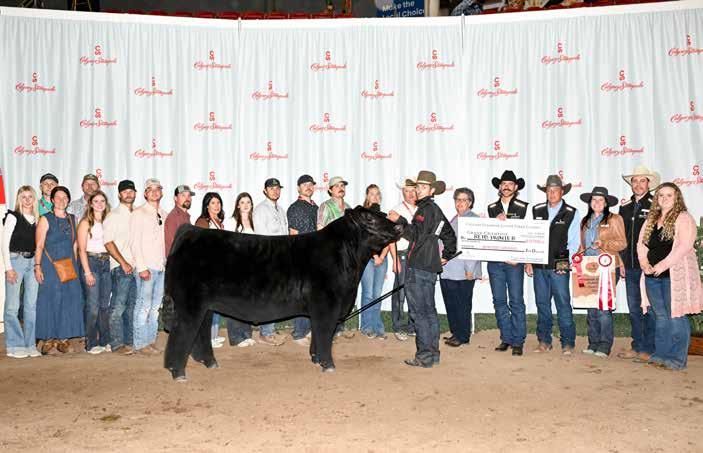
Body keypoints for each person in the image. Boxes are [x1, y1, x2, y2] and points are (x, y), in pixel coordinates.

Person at [388, 171, 457, 368]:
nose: (418, 190)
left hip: (418, 265)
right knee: (429, 311)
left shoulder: (424, 209)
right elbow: (449, 235)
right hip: (430, 267)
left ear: (432, 190)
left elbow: (414, 235)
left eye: (423, 187)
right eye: (417, 187)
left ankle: (425, 356)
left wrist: (399, 220)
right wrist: (446, 255)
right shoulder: (435, 210)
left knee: (419, 313)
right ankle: (433, 354)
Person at [637, 182, 703, 371]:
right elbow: (642, 244)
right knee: (660, 316)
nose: (664, 199)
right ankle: (661, 355)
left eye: (669, 195)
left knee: (676, 316)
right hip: (652, 276)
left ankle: (677, 359)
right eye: (661, 195)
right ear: (656, 198)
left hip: (673, 276)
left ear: (677, 198)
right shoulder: (652, 219)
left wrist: (661, 265)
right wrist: (644, 263)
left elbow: (684, 246)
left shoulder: (684, 218)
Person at [526, 175, 580, 355]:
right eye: (549, 190)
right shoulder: (537, 210)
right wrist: (529, 260)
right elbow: (530, 237)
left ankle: (568, 342)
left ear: (562, 192)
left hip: (559, 265)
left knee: (563, 303)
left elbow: (574, 242)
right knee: (542, 303)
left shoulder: (571, 212)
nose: (552, 193)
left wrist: (564, 264)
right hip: (539, 265)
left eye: (555, 190)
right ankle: (544, 341)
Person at [34, 186, 85, 355]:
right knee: (49, 300)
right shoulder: (45, 219)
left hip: (68, 267)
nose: (61, 200)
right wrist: (37, 266)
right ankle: (49, 339)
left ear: (68, 200)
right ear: (52, 200)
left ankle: (63, 338)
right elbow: (39, 245)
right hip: (49, 266)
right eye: (58, 197)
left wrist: (75, 266)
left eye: (65, 197)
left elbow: (75, 245)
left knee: (68, 301)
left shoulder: (72, 219)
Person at [577, 187, 626, 358]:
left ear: (606, 203)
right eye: (594, 200)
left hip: (608, 267)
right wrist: (577, 258)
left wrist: (603, 244)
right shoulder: (585, 221)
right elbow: (583, 245)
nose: (597, 203)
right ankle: (593, 343)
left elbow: (622, 243)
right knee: (591, 307)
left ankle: (605, 345)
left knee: (603, 307)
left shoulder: (615, 219)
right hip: (589, 267)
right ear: (590, 202)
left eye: (600, 200)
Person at [617, 165, 659, 361]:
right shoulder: (624, 207)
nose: (638, 184)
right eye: (635, 181)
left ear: (648, 184)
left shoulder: (656, 205)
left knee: (649, 308)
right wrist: (622, 261)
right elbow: (621, 237)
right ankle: (637, 345)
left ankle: (649, 348)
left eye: (643, 180)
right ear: (631, 184)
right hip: (630, 265)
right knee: (634, 308)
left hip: (648, 266)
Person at [486, 170, 529, 356]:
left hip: (514, 262)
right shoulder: (491, 208)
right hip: (495, 260)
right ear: (499, 186)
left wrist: (525, 259)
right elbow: (486, 234)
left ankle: (518, 340)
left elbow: (529, 235)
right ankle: (506, 337)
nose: (506, 186)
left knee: (516, 301)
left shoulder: (524, 207)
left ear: (516, 187)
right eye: (504, 183)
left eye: (510, 184)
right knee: (499, 301)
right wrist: (494, 223)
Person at [130, 178, 167, 355]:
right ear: (145, 193)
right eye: (150, 189)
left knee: (155, 308)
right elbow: (134, 242)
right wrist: (141, 267)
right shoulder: (138, 213)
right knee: (143, 306)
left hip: (161, 267)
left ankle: (150, 341)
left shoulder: (164, 214)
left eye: (157, 188)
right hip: (147, 266)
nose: (154, 192)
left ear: (161, 192)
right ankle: (140, 344)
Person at [440, 188, 482, 348]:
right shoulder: (455, 218)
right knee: (451, 303)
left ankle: (463, 336)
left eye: (464, 200)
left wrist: (470, 268)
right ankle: (456, 332)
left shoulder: (473, 220)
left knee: (462, 304)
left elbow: (473, 246)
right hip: (449, 270)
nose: (460, 203)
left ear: (470, 202)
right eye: (457, 199)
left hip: (463, 271)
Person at [3, 186, 40, 358]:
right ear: (19, 199)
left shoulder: (38, 220)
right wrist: (8, 268)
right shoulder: (13, 217)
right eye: (23, 197)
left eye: (30, 196)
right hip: (16, 260)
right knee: (12, 306)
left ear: (34, 199)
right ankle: (14, 345)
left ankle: (30, 344)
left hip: (33, 262)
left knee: (31, 305)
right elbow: (4, 244)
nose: (27, 200)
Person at [317, 176, 355, 339]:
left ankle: (339, 326)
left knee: (343, 291)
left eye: (342, 185)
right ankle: (327, 327)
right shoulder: (325, 206)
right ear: (330, 190)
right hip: (331, 256)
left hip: (346, 257)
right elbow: (320, 230)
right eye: (337, 186)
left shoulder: (348, 208)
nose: (340, 188)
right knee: (329, 293)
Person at [103, 180, 137, 355]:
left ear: (135, 193)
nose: (128, 194)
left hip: (136, 266)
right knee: (118, 306)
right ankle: (116, 344)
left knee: (131, 308)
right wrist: (123, 263)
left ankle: (129, 342)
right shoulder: (113, 215)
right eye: (125, 192)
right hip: (121, 267)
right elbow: (108, 242)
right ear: (119, 195)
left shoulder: (137, 214)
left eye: (131, 191)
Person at [253, 178, 288, 346]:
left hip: (282, 258)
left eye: (277, 188)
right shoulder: (260, 210)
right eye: (271, 188)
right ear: (265, 190)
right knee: (268, 296)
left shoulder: (281, 210)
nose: (275, 191)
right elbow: (262, 238)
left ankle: (270, 329)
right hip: (268, 259)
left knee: (276, 296)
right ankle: (265, 333)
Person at [77, 191, 112, 354]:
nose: (99, 204)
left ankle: (105, 340)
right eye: (96, 201)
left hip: (106, 262)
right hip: (91, 262)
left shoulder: (109, 221)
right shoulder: (85, 222)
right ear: (90, 204)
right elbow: (81, 250)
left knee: (104, 305)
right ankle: (90, 342)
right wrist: (87, 272)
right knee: (93, 306)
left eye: (102, 200)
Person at [286, 174, 317, 346]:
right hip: (302, 258)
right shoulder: (295, 208)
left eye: (310, 184)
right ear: (298, 188)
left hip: (315, 258)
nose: (308, 187)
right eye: (304, 184)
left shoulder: (316, 207)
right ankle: (299, 333)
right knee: (301, 296)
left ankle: (309, 330)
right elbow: (293, 236)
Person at [223, 192, 256, 347]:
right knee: (235, 302)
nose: (245, 205)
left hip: (252, 268)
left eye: (248, 202)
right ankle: (236, 337)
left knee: (248, 302)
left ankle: (246, 334)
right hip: (235, 268)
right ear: (237, 205)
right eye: (242, 202)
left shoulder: (254, 222)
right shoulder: (231, 222)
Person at [194, 192, 226, 349]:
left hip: (218, 269)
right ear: (207, 206)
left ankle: (214, 335)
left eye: (218, 202)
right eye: (213, 203)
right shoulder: (202, 222)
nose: (216, 205)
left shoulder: (219, 222)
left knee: (216, 304)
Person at [387, 178, 417, 341]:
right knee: (400, 292)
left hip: (418, 256)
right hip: (403, 254)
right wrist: (395, 259)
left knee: (415, 292)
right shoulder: (396, 211)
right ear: (402, 193)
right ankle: (398, 326)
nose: (410, 194)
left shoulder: (421, 209)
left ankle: (412, 326)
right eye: (407, 191)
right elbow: (391, 238)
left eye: (413, 190)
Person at [359, 184, 390, 340]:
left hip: (382, 258)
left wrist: (382, 256)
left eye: (377, 194)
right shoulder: (362, 217)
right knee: (368, 293)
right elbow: (363, 240)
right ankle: (366, 327)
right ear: (367, 196)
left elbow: (389, 239)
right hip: (367, 259)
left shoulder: (384, 216)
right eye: (372, 194)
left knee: (377, 294)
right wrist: (375, 256)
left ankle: (378, 327)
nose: (375, 197)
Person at [164, 185, 194, 256]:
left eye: (189, 195)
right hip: (179, 261)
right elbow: (172, 246)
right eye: (183, 195)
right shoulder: (173, 217)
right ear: (175, 198)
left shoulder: (185, 216)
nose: (187, 198)